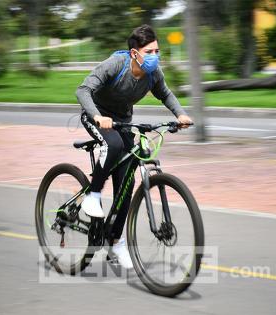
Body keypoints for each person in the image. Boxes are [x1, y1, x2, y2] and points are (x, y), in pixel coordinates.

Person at [75, 24, 193, 268]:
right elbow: (83, 90)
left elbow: (166, 94)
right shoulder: (115, 65)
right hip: (96, 116)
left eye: (157, 51)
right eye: (149, 52)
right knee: (114, 145)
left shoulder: (153, 73)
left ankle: (114, 240)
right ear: (134, 53)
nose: (154, 56)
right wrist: (97, 116)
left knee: (126, 183)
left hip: (122, 121)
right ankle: (93, 196)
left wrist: (180, 115)